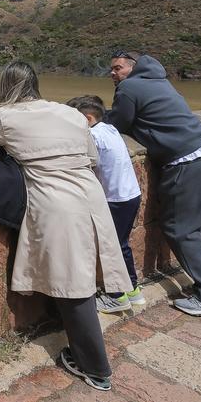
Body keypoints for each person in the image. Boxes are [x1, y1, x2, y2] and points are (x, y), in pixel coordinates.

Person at [0, 61, 132, 391]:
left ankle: (96, 368)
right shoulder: (70, 114)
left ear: (6, 87)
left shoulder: (7, 117)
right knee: (82, 274)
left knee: (75, 288)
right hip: (90, 196)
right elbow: (92, 156)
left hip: (58, 204)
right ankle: (84, 349)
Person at [106, 51, 201, 317]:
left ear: (132, 68)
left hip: (188, 162)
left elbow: (118, 123)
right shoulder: (160, 81)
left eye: (117, 68)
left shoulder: (129, 88)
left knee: (180, 229)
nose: (113, 74)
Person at [66, 95, 144, 313]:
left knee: (109, 249)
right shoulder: (110, 129)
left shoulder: (93, 136)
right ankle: (133, 291)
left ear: (88, 119)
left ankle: (117, 296)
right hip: (130, 195)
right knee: (121, 245)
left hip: (114, 200)